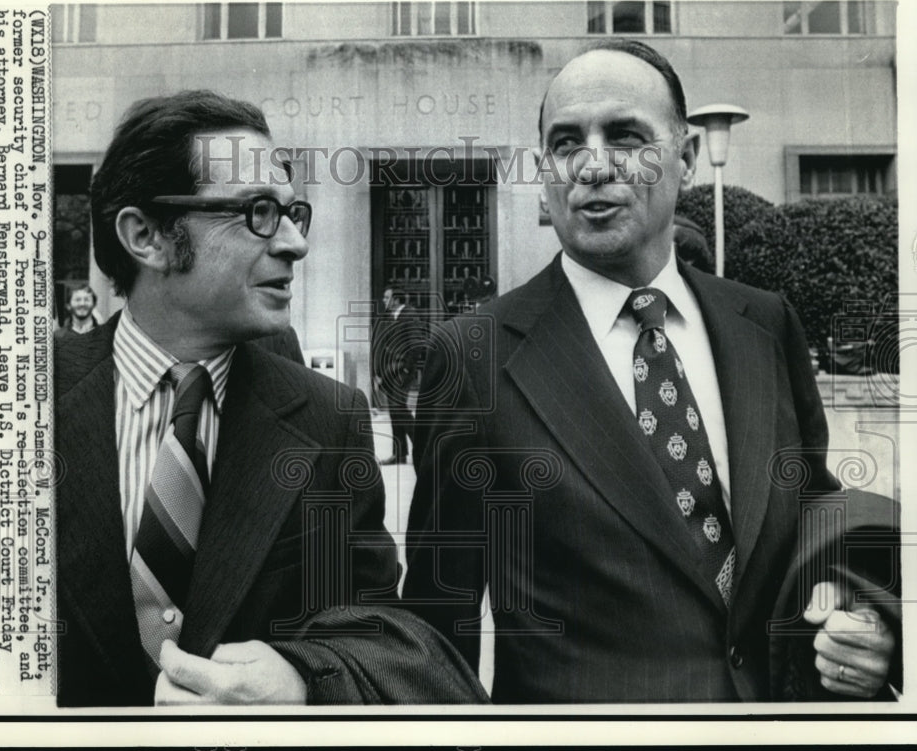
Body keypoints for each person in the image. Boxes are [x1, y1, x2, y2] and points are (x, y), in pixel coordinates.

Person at [403, 39, 898, 703]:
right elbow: (439, 625)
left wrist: (864, 618)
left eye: (627, 135)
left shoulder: (765, 324)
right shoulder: (472, 355)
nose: (594, 164)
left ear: (687, 157)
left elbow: (817, 514)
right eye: (566, 141)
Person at [55, 91, 487, 707]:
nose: (294, 244)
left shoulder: (328, 421)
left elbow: (392, 638)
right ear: (145, 236)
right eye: (258, 212)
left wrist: (301, 678)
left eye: (293, 213)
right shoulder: (17, 405)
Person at [372, 285, 422, 464]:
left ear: (396, 299)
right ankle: (399, 454)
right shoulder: (390, 317)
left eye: (387, 298)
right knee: (395, 411)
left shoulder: (410, 315)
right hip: (390, 372)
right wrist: (379, 373)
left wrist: (407, 369)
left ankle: (425, 446)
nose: (384, 301)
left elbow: (416, 345)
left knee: (399, 410)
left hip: (402, 372)